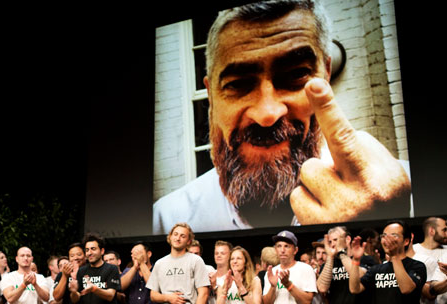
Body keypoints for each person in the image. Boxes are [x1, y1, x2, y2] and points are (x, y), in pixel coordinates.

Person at [153, 0, 411, 234]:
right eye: (238, 84)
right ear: (211, 95)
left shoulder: (402, 196)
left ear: (327, 74)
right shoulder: (166, 219)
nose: (267, 114)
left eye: (296, 74)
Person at [414, 217, 447, 304]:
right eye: (444, 230)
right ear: (432, 231)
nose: (446, 233)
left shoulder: (446, 252)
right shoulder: (414, 251)